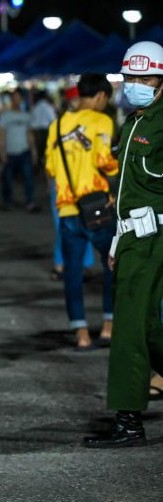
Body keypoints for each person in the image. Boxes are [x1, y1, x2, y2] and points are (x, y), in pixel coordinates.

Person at [84, 42, 163, 448]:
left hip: (157, 239)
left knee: (130, 327)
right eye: (130, 78)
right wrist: (117, 240)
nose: (136, 85)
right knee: (148, 327)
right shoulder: (134, 121)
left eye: (145, 78)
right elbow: (129, 190)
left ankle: (129, 421)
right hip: (134, 236)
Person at [44, 74, 117, 351]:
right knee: (111, 264)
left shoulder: (57, 124)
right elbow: (104, 161)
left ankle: (82, 333)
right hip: (97, 207)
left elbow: (50, 168)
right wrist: (118, 163)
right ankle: (109, 327)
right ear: (100, 96)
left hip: (67, 209)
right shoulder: (102, 121)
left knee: (72, 272)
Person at [0, 89, 38, 211]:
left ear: (21, 99)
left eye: (18, 97)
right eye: (14, 97)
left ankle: (30, 202)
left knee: (28, 178)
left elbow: (30, 135)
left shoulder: (26, 116)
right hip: (10, 152)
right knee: (8, 179)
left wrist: (33, 152)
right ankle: (7, 202)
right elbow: (2, 135)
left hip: (24, 151)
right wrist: (2, 153)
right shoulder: (5, 117)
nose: (16, 100)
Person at [30, 90, 56, 171]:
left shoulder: (35, 107)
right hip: (46, 132)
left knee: (39, 151)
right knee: (47, 151)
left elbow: (32, 121)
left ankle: (40, 167)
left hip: (36, 132)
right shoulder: (48, 107)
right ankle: (46, 168)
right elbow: (53, 120)